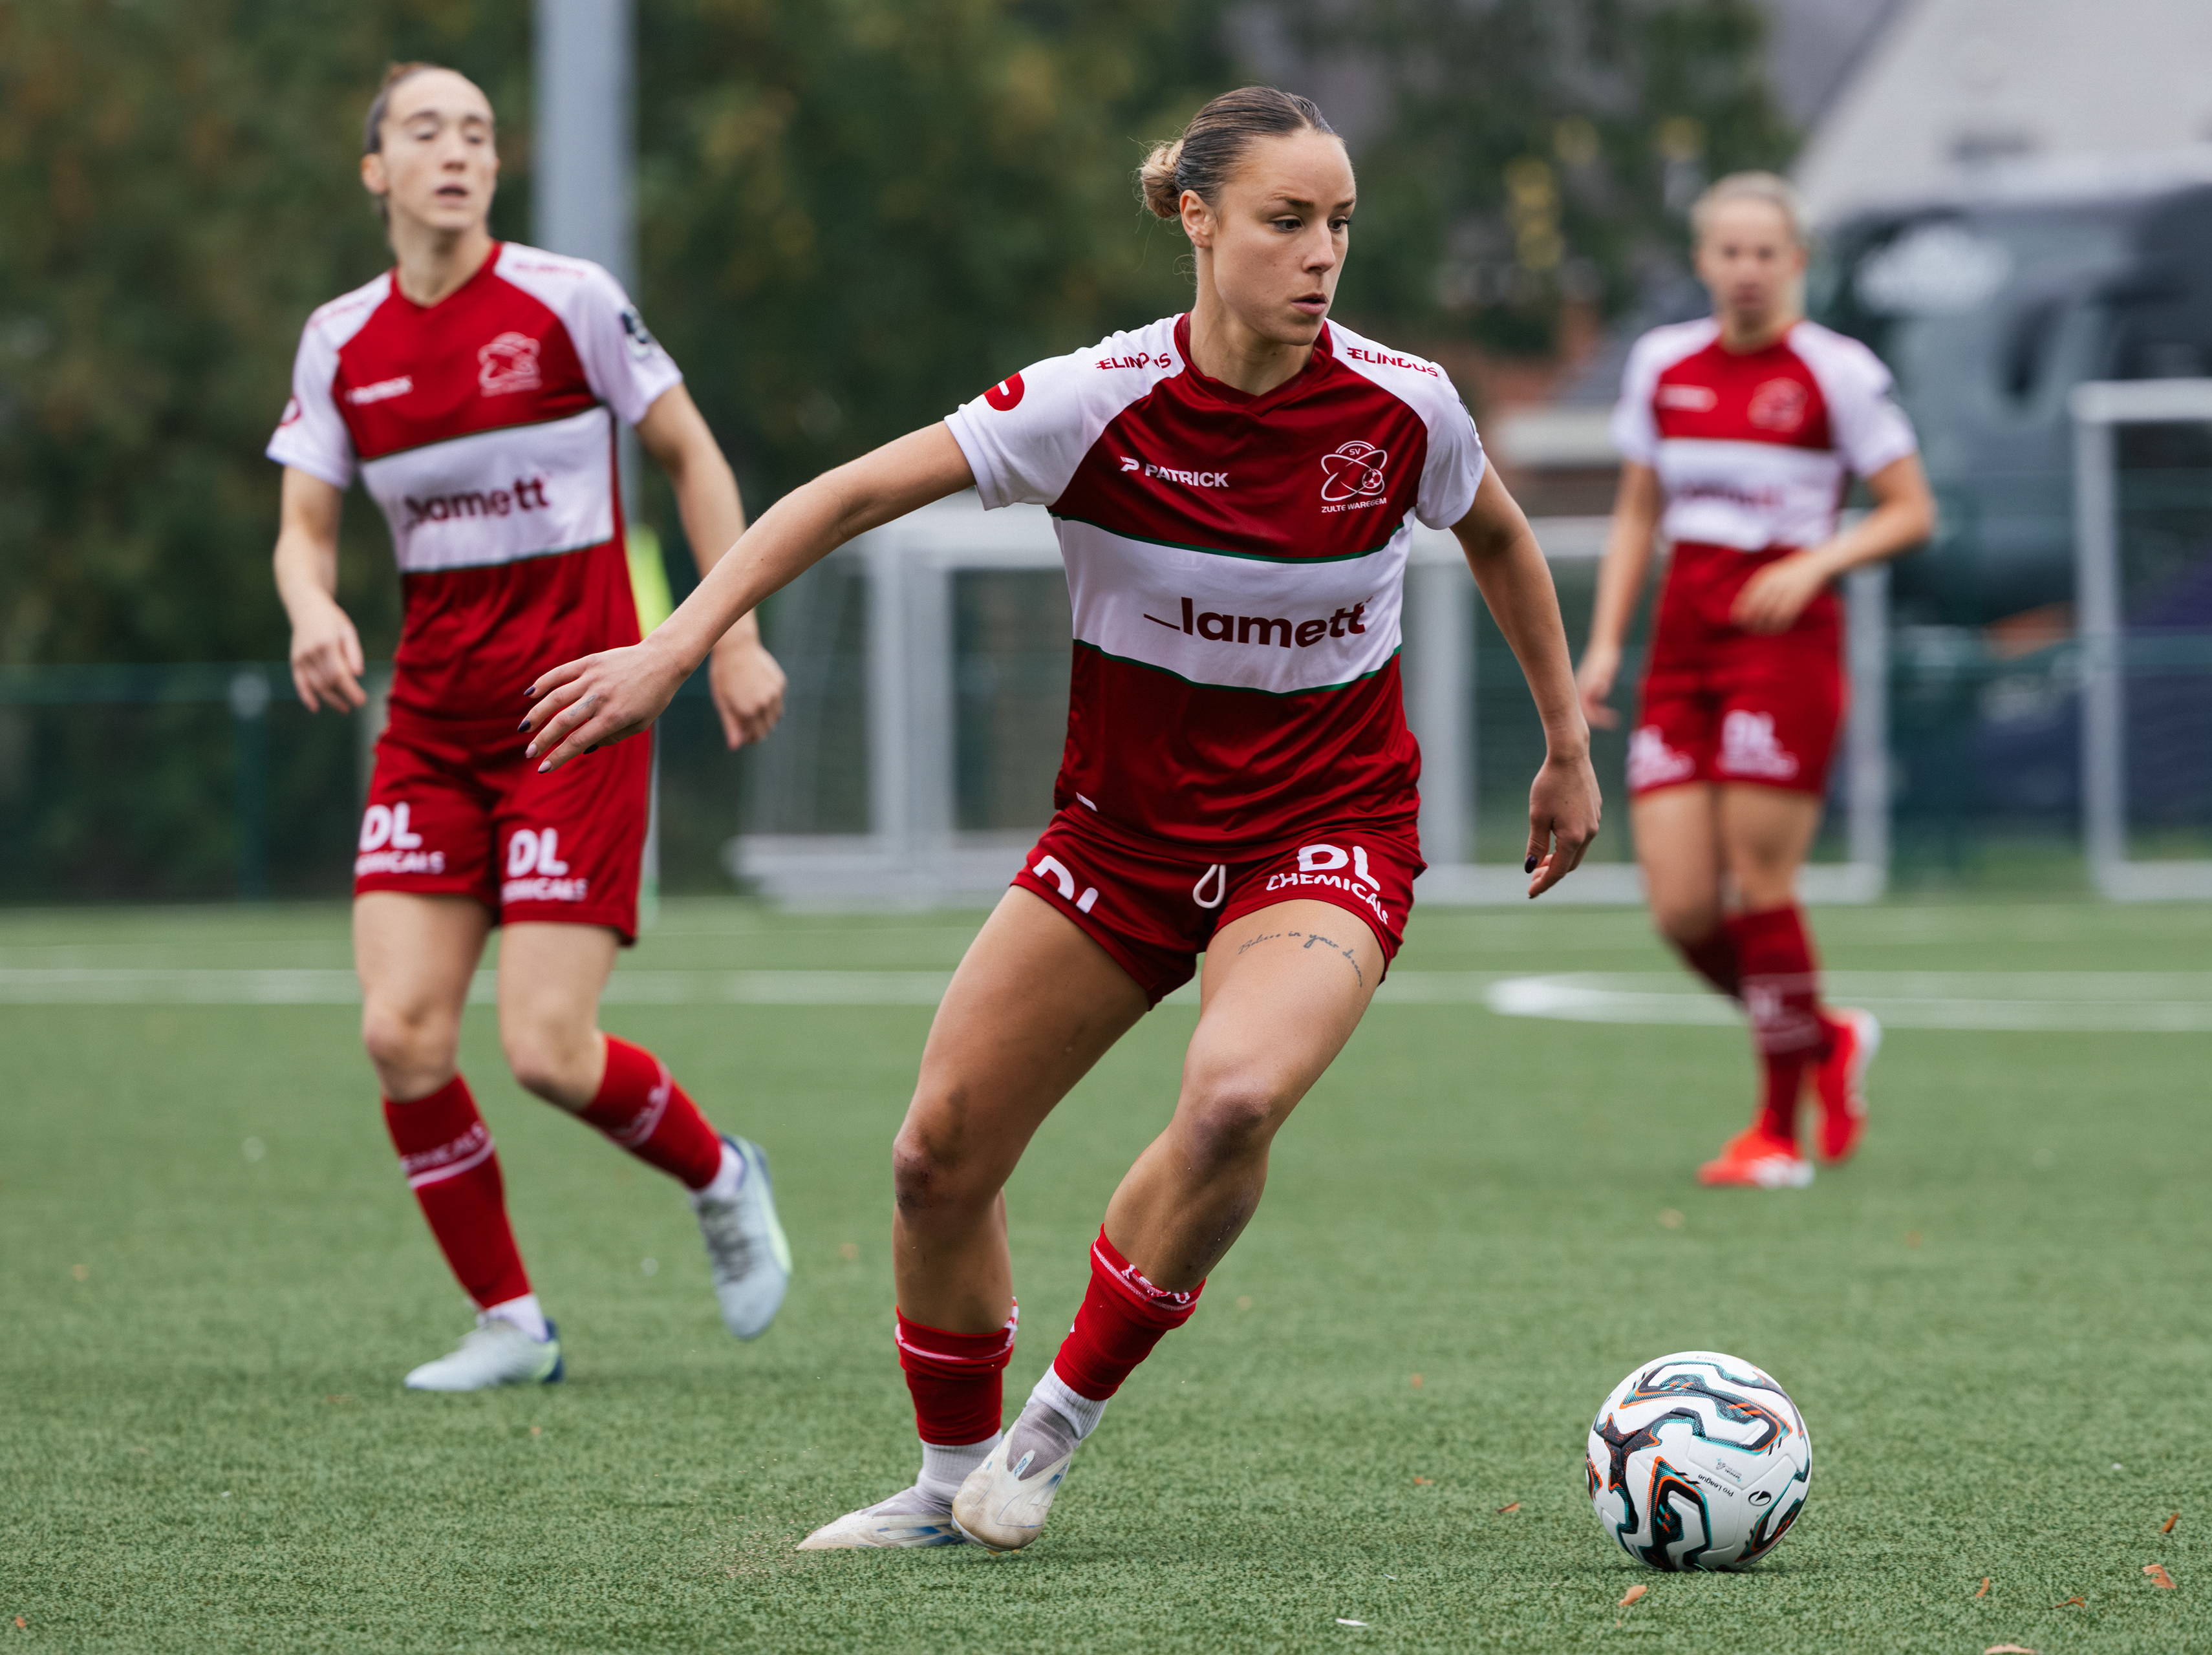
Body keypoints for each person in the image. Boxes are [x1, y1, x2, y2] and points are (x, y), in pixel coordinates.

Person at [519, 86, 1601, 1550]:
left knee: (1231, 1101)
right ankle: (941, 1483)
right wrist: (679, 640)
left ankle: (1052, 1425)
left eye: (1341, 222)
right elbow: (842, 496)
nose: (1323, 253)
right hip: (1118, 843)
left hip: (1325, 834)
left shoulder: (1405, 407)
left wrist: (1566, 744)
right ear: (1196, 219)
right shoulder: (1095, 401)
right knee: (935, 1154)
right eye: (1288, 220)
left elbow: (1498, 534)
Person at [267, 63, 795, 1391]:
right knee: (400, 1032)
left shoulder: (569, 302)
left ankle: (722, 1174)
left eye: (479, 134)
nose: (457, 152)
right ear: (376, 171)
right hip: (432, 727)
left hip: (577, 715)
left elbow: (694, 454)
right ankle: (512, 1319)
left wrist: (725, 637)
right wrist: (311, 609)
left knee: (547, 1049)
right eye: (425, 133)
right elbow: (304, 529)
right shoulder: (342, 342)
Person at [1574, 173, 1934, 1190]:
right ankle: (1826, 1035)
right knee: (1684, 909)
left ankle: (1777, 1132)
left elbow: (1911, 509)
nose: (1745, 269)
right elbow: (1640, 512)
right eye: (1727, 251)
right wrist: (1604, 643)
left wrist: (1815, 563)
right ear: (1702, 262)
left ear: (1796, 262)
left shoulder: (1837, 373)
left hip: (1784, 653)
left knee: (1760, 881)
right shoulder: (1662, 365)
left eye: (1764, 252)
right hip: (1683, 655)